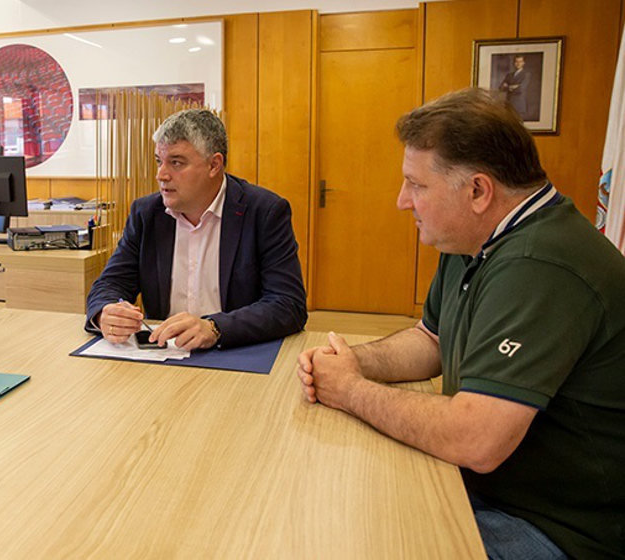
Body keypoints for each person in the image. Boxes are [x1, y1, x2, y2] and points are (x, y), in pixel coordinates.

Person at [297, 88, 625, 558]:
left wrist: (350, 390)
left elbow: (476, 439)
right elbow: (429, 340)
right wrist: (352, 362)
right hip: (491, 490)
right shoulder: (472, 238)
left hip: (560, 527)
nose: (401, 201)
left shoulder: (543, 263)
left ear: (477, 190)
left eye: (416, 185)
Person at [85, 108, 307, 350]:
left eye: (176, 163)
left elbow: (288, 304)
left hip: (236, 351)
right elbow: (111, 283)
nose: (161, 175)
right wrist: (105, 313)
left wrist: (215, 327)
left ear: (214, 165)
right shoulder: (146, 213)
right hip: (163, 355)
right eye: (159, 161)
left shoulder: (264, 212)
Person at [499, 54, 530, 119]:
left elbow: (521, 89)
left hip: (519, 105)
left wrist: (507, 86)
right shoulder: (509, 75)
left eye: (520, 61)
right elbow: (501, 88)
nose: (518, 63)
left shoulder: (526, 74)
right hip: (508, 104)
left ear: (523, 63)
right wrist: (513, 87)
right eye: (516, 62)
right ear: (514, 63)